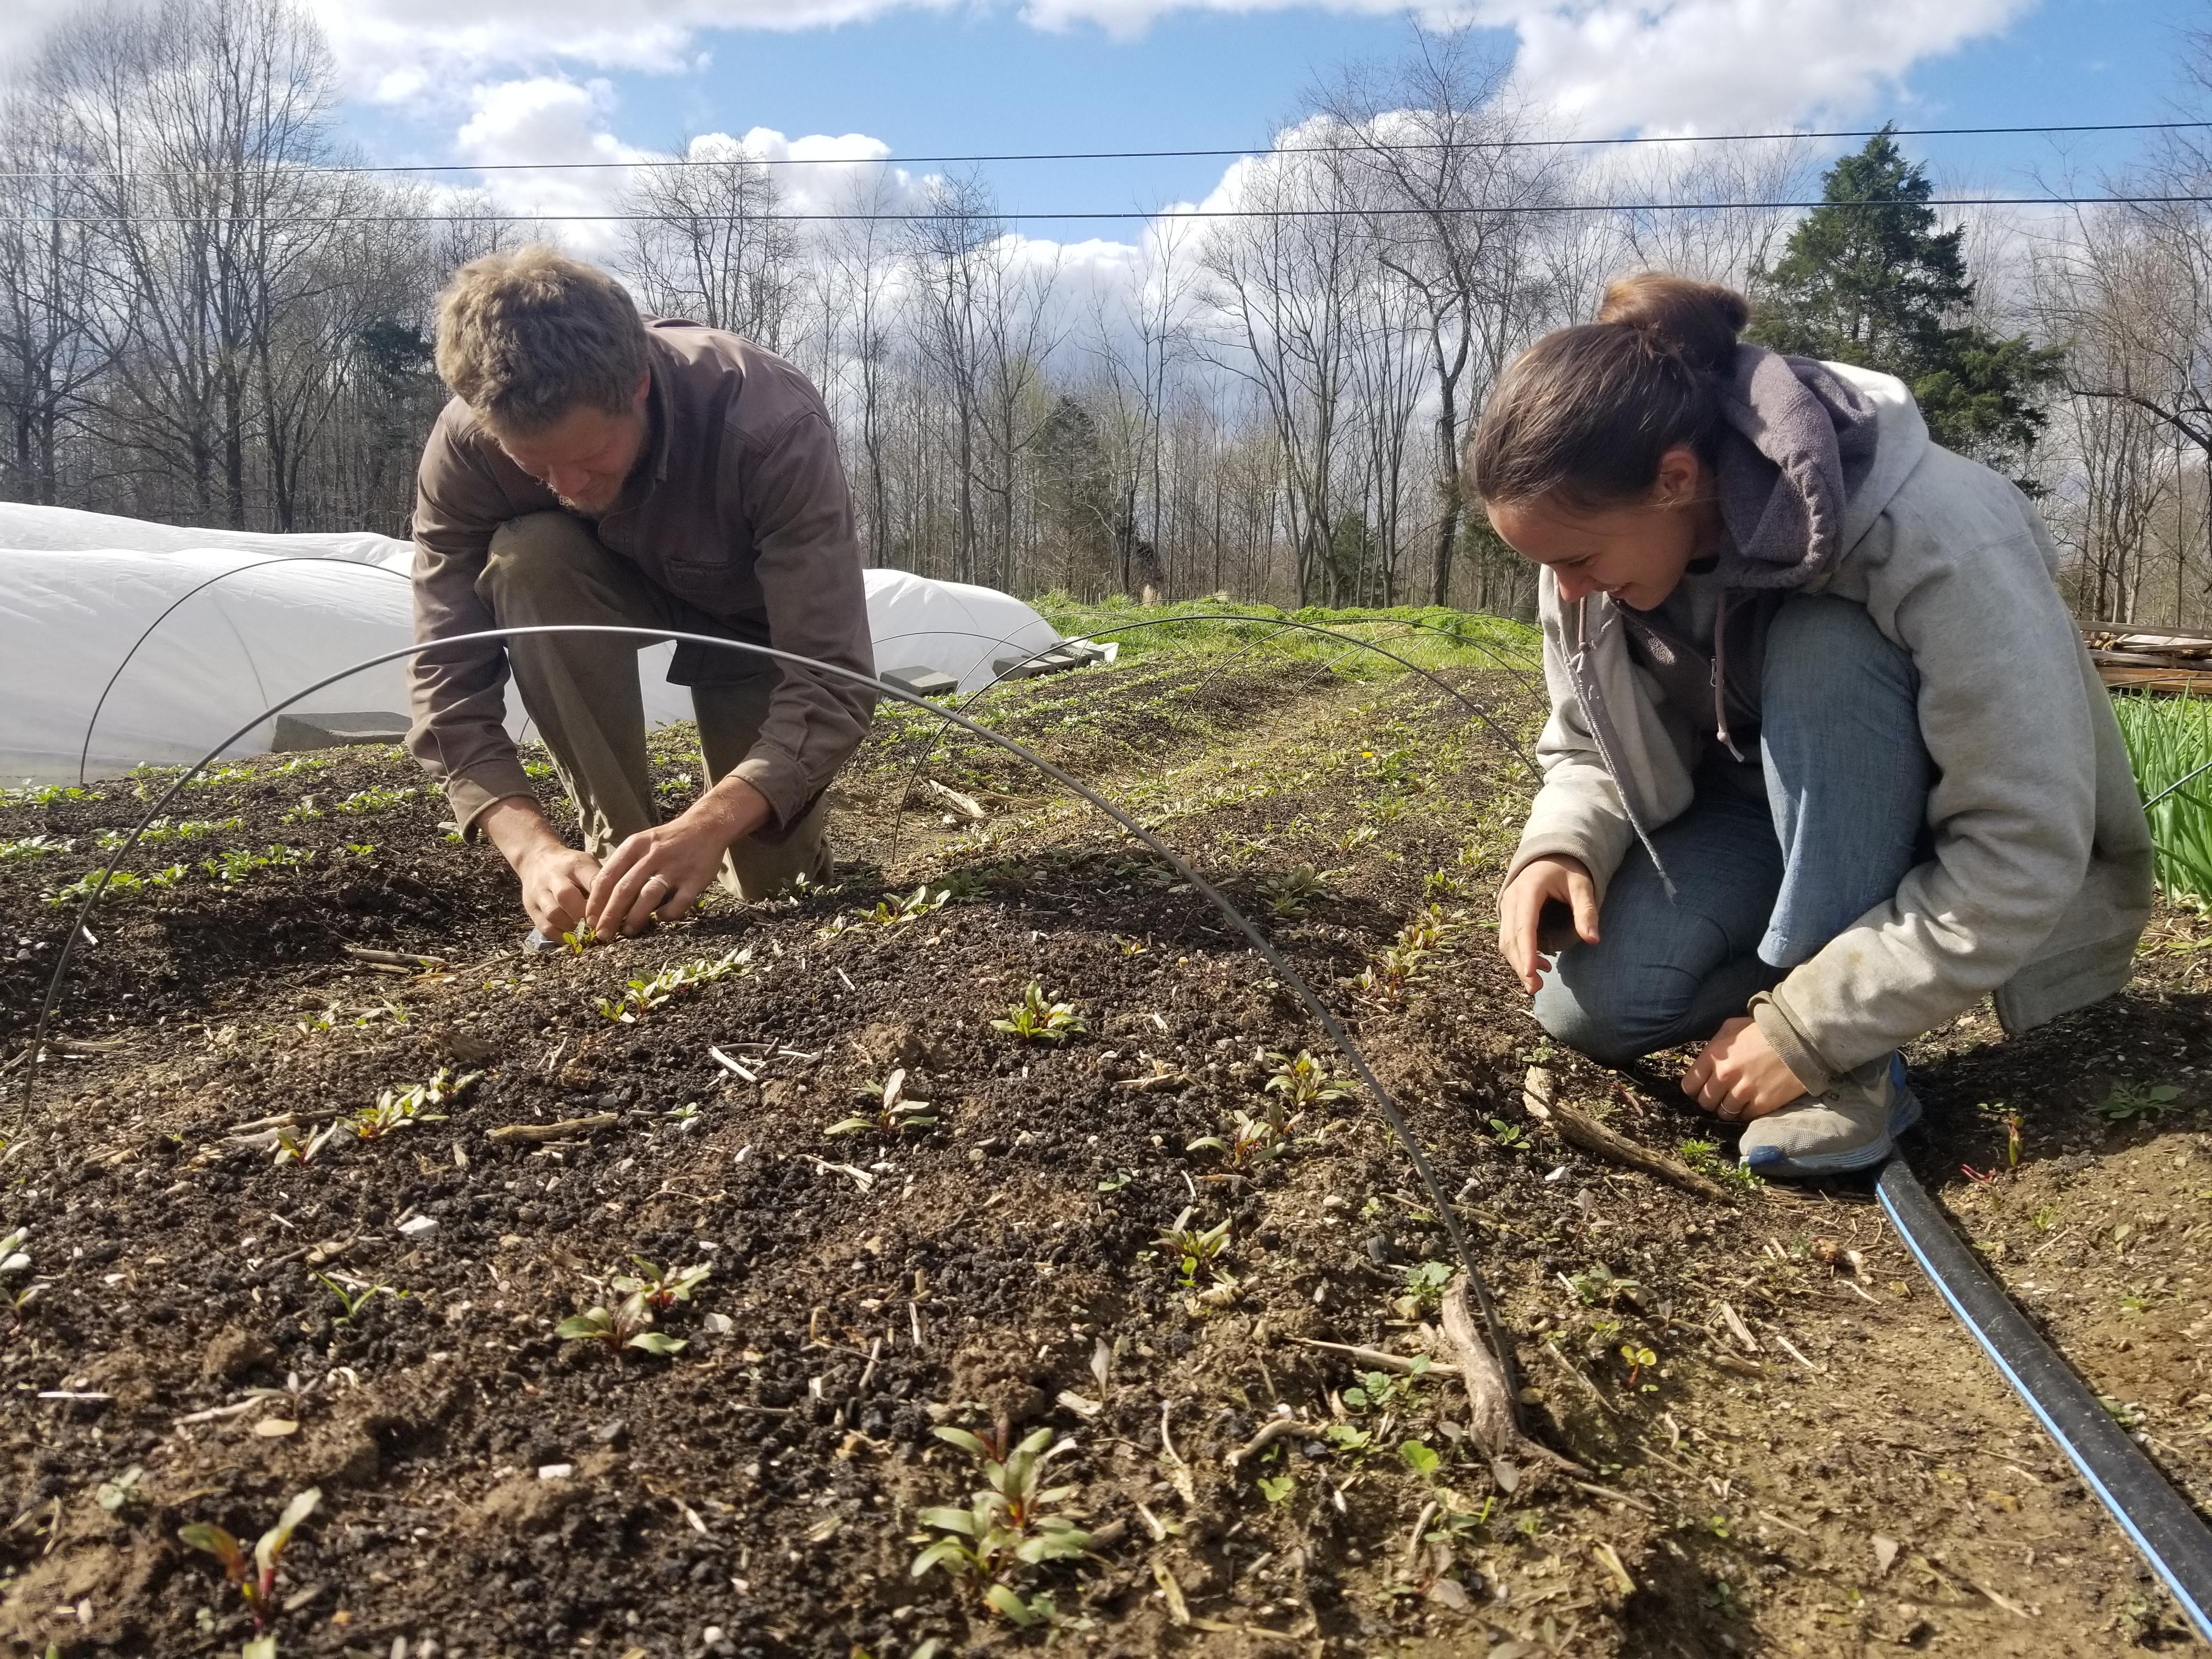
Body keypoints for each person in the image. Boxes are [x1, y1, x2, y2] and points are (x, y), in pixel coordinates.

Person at [1470, 274, 2153, 1178]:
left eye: (1577, 560)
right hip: (1758, 808)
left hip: (1924, 834)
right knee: (1591, 1008)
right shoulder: (1590, 551)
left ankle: (1850, 1062)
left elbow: (2020, 846)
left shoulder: (1935, 529)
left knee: (1820, 644)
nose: (1566, 591)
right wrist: (1561, 845)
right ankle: (1822, 993)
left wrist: (1810, 1028)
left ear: (1675, 478)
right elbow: (1588, 742)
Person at [405, 246, 876, 942]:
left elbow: (832, 681)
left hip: (752, 621)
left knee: (777, 896)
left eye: (592, 459)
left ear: (639, 390)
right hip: (588, 586)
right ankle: (616, 859)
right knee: (529, 556)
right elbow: (448, 671)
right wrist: (531, 849)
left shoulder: (769, 423)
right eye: (536, 468)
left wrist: (707, 826)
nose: (568, 487)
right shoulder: (468, 447)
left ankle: (745, 856)